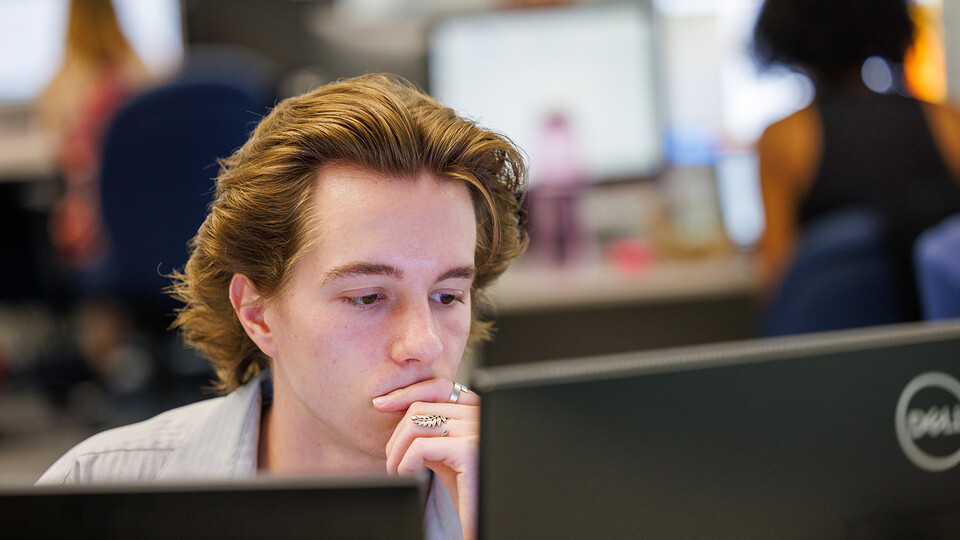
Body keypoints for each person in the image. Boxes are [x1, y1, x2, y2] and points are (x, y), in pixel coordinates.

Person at [36, 73, 528, 540]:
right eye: (367, 297)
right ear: (256, 312)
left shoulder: (543, 495)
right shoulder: (97, 498)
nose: (423, 343)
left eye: (447, 297)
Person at [752, 0, 960, 299]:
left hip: (832, 339)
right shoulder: (947, 122)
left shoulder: (786, 137)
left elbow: (775, 282)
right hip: (935, 337)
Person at [38, 0, 155, 269]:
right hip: (152, 219)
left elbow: (64, 159)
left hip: (95, 233)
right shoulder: (146, 76)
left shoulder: (61, 89)